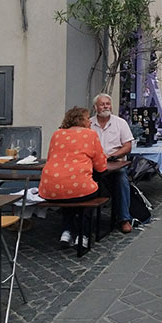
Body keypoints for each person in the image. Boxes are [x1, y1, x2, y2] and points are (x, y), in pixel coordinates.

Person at [39, 106, 107, 248]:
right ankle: (83, 235)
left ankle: (67, 231)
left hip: (49, 188)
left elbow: (51, 158)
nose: (90, 122)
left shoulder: (57, 134)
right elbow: (101, 166)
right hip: (79, 189)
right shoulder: (90, 135)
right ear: (81, 120)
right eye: (88, 119)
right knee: (87, 191)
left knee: (66, 189)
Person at [91, 93, 135, 234]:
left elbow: (127, 146)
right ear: (95, 107)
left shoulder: (120, 123)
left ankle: (124, 219)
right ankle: (80, 219)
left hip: (115, 164)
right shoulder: (88, 124)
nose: (105, 106)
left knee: (121, 179)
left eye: (107, 104)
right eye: (102, 104)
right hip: (93, 165)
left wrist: (113, 155)